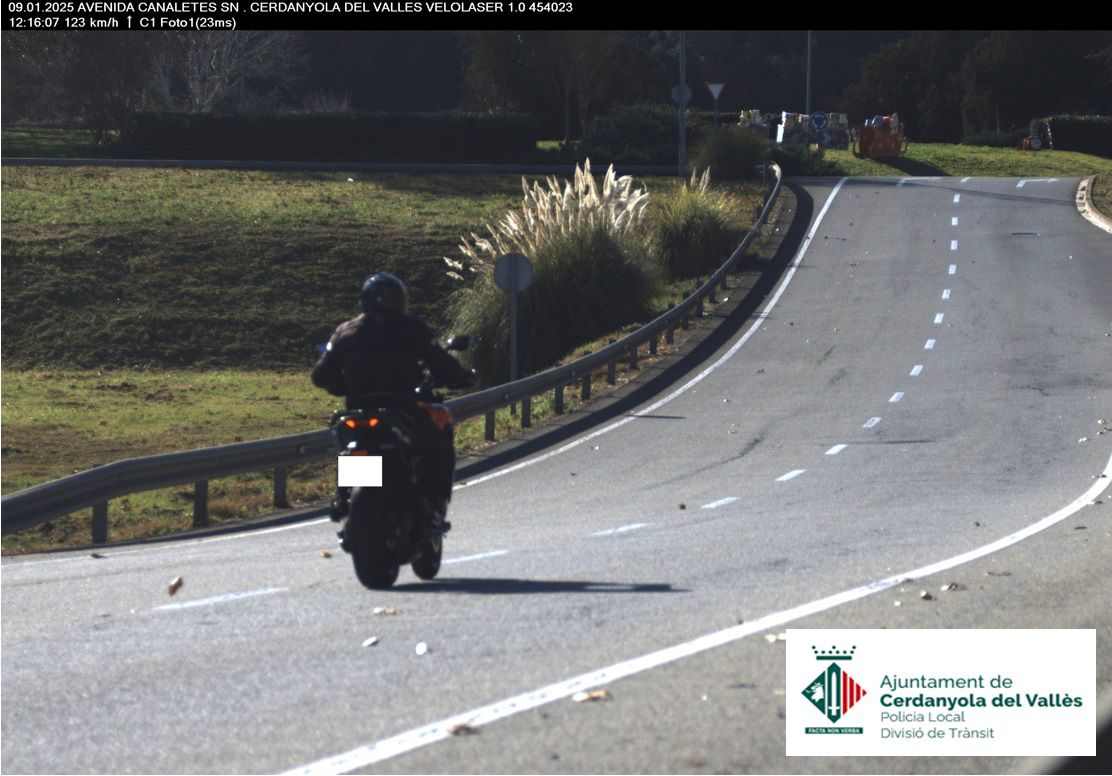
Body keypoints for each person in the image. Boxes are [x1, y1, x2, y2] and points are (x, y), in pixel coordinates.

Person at [312, 271, 475, 533]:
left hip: (358, 413)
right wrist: (460, 377)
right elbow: (440, 363)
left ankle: (344, 500)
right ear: (400, 300)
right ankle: (435, 506)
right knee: (439, 443)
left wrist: (344, 387)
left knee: (355, 448)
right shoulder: (410, 328)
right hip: (402, 409)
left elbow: (321, 376)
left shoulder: (346, 331)